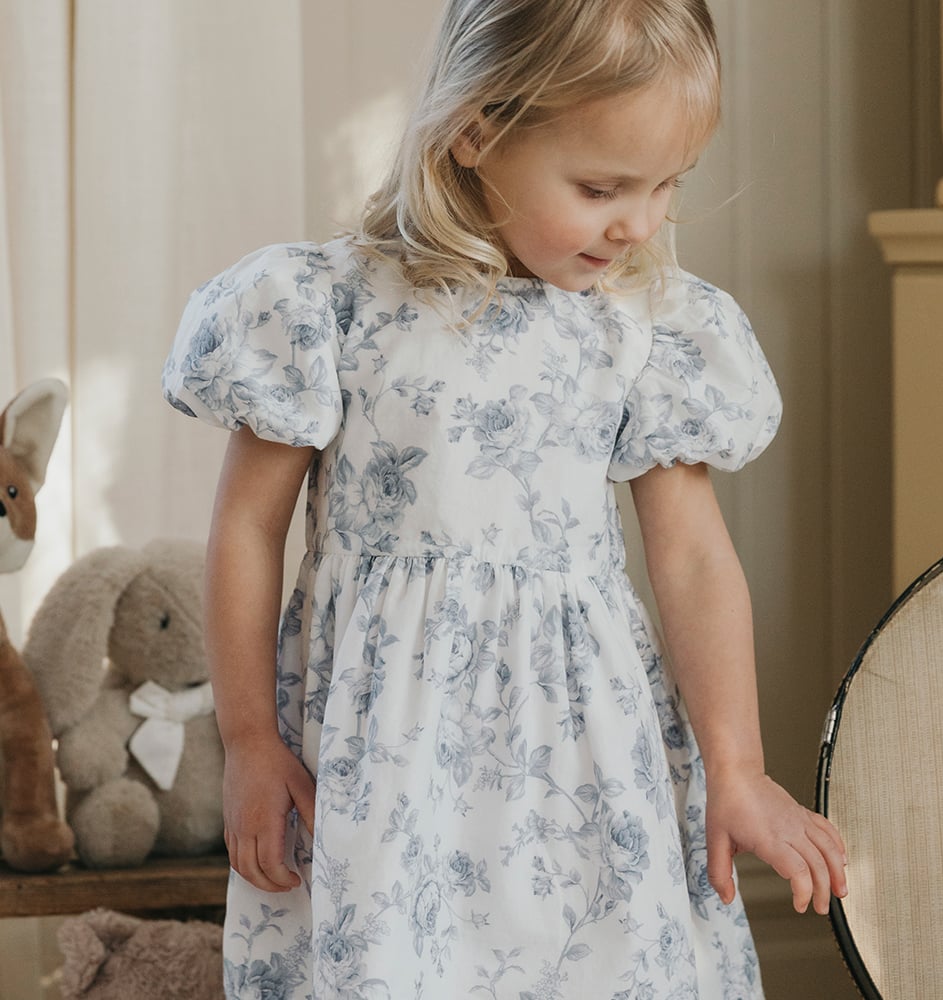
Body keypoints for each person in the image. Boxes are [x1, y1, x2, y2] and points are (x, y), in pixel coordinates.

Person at [163, 0, 847, 996]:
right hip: (382, 759)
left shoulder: (642, 329)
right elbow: (245, 529)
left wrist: (733, 766)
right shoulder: (327, 308)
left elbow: (693, 557)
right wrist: (248, 740)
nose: (639, 222)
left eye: (667, 186)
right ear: (474, 131)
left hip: (582, 756)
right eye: (601, 186)